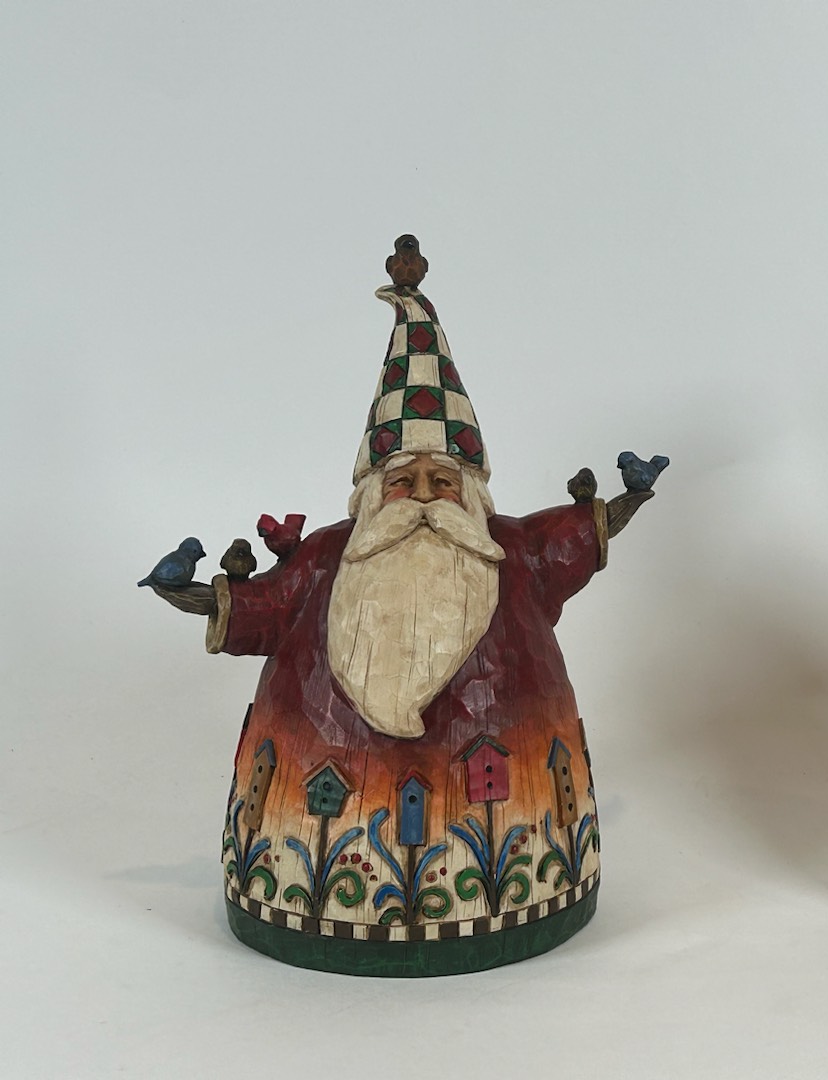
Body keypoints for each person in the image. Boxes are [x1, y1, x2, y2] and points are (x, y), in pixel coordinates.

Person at [147, 242, 660, 975]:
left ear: (470, 491)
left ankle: (520, 901)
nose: (422, 495)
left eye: (441, 479)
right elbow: (259, 607)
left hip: (516, 840)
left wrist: (628, 502)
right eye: (402, 479)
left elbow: (580, 536)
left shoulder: (511, 552)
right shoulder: (326, 558)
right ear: (371, 492)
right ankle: (312, 905)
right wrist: (195, 596)